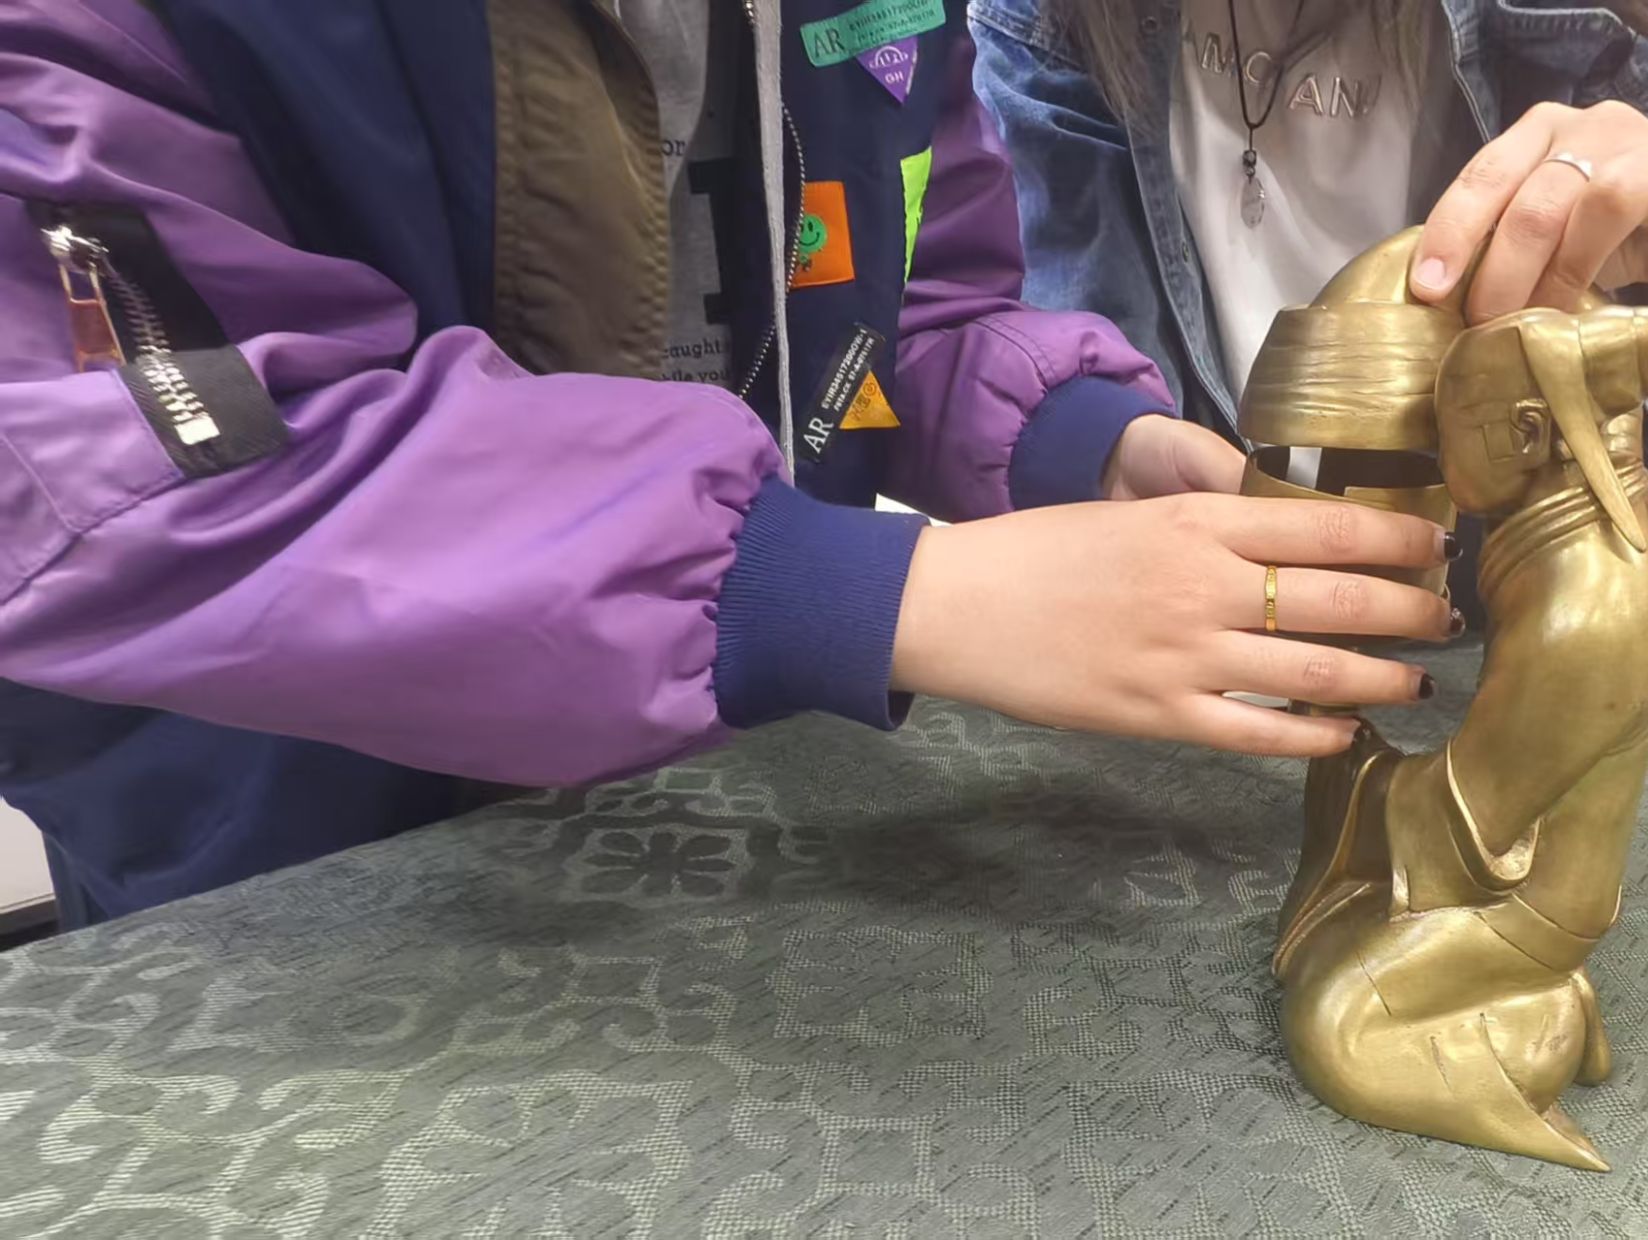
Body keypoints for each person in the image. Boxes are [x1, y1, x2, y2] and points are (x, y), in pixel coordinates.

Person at [0, 0, 1463, 927]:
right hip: (297, 873)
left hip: (719, 829)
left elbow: (907, 290)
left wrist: (1082, 441)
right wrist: (848, 589)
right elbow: (144, 468)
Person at [969, 0, 1648, 554]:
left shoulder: (1618, 17)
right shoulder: (1041, 23)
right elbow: (1030, 375)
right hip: (1178, 629)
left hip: (1484, 634)